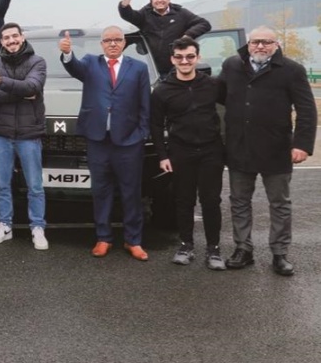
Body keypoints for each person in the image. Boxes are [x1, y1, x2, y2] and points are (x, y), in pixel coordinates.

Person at [218, 26, 317, 276]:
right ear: (248, 44)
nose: (260, 46)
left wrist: (302, 145)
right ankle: (243, 249)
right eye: (255, 42)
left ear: (276, 44)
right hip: (240, 147)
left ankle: (280, 253)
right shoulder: (232, 66)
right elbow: (217, 97)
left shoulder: (292, 70)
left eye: (266, 42)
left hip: (277, 149)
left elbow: (306, 109)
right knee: (239, 202)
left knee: (279, 203)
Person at [60, 26, 150, 261]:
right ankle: (103, 238)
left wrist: (142, 134)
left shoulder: (138, 68)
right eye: (108, 40)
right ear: (101, 44)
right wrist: (67, 53)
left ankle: (133, 240)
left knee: (131, 192)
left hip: (129, 141)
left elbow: (145, 105)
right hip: (98, 140)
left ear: (124, 43)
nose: (112, 43)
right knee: (101, 191)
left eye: (117, 39)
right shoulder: (91, 63)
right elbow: (74, 67)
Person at [150, 36, 226, 270]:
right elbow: (155, 125)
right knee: (184, 201)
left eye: (190, 56)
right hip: (180, 151)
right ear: (172, 59)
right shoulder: (162, 91)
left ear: (198, 57)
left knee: (211, 201)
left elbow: (234, 109)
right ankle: (186, 246)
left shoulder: (213, 84)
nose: (185, 61)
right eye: (180, 57)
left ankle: (214, 249)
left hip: (211, 151)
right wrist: (163, 156)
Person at [0, 23, 48, 249]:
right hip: (2, 134)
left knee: (35, 186)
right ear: (1, 41)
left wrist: (3, 83)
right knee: (2, 184)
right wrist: (21, 92)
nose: (11, 40)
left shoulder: (37, 62)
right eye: (6, 38)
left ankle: (37, 227)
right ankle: (5, 225)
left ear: (22, 37)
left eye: (14, 36)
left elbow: (32, 86)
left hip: (29, 134)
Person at [117, 0, 211, 77]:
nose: (159, 0)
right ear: (151, 0)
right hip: (152, 72)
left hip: (176, 69)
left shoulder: (181, 13)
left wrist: (188, 36)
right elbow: (131, 16)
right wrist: (124, 7)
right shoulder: (145, 14)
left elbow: (204, 24)